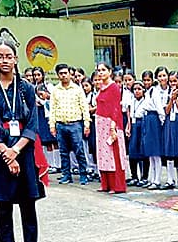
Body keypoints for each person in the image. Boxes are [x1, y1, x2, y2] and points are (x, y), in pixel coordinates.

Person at [0, 38, 46, 242]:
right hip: (0, 154)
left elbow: (32, 124)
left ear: (16, 59)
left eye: (8, 56)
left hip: (24, 151)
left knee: (28, 204)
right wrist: (5, 152)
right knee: (3, 205)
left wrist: (16, 151)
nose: (4, 61)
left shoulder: (27, 88)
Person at [48, 62, 91, 185]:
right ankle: (66, 175)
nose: (63, 76)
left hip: (75, 124)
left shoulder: (77, 89)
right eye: (61, 74)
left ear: (70, 74)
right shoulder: (56, 90)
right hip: (60, 124)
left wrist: (86, 124)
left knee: (79, 150)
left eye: (65, 73)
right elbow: (53, 109)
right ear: (57, 75)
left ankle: (83, 174)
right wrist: (52, 125)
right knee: (63, 152)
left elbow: (84, 108)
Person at [93, 62, 129, 194]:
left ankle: (117, 185)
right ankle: (105, 184)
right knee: (103, 154)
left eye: (103, 70)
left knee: (114, 154)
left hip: (110, 123)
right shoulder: (101, 86)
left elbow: (115, 108)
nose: (101, 73)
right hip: (100, 123)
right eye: (99, 70)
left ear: (110, 71)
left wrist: (113, 126)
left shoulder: (114, 87)